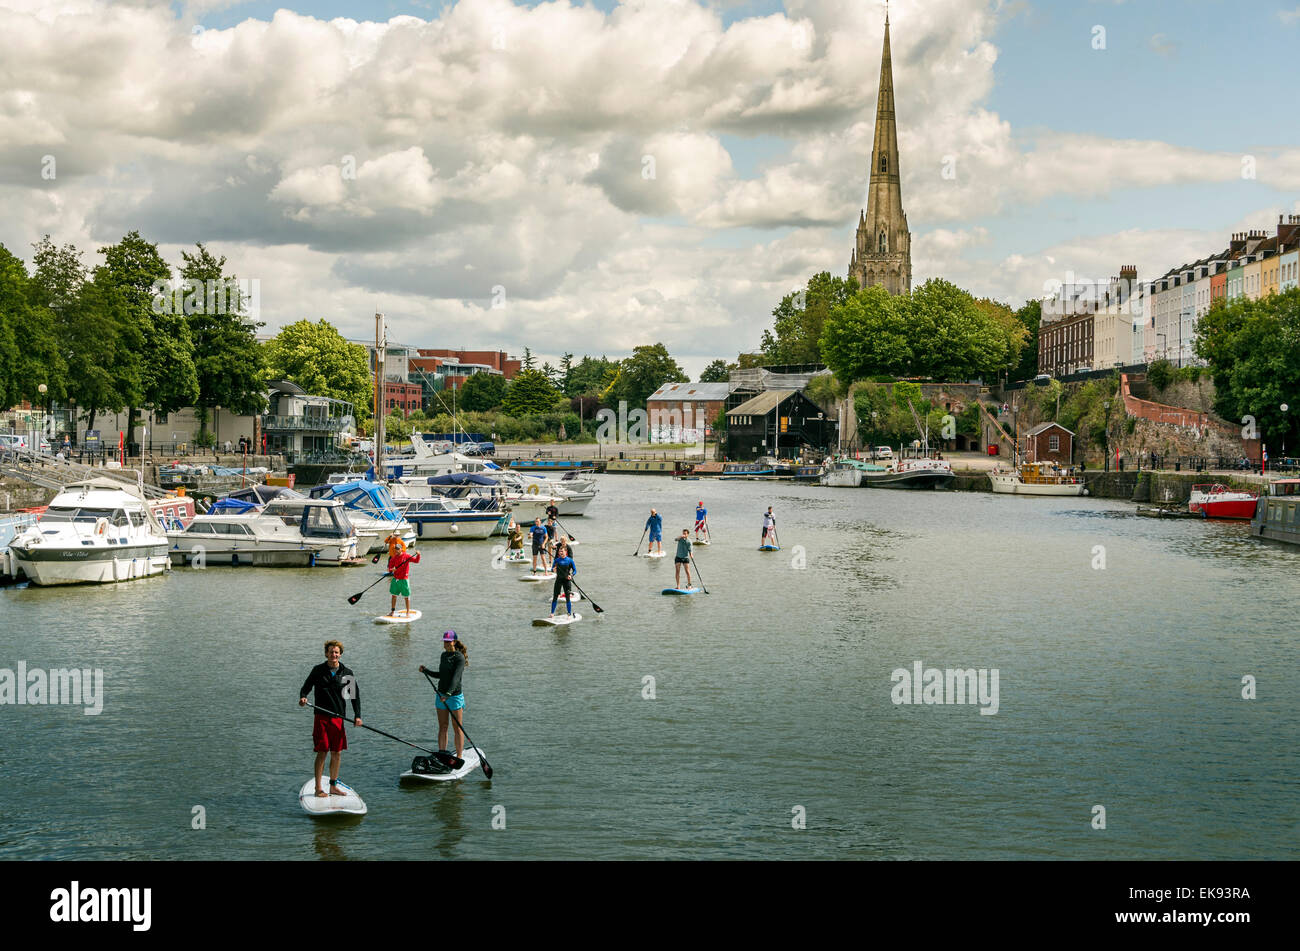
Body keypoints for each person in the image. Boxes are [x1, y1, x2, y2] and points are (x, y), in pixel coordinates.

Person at [298, 640, 362, 797]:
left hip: (338, 718)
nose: (333, 655)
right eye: (331, 652)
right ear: (326, 653)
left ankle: (333, 786)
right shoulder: (318, 670)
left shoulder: (347, 672)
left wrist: (357, 716)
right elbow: (305, 688)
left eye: (336, 652)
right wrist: (303, 698)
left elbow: (354, 697)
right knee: (322, 751)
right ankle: (318, 788)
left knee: (336, 752)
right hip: (321, 717)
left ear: (340, 654)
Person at [419, 631, 468, 759]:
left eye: (448, 641)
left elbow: (455, 678)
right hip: (441, 695)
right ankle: (442, 754)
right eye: (444, 641)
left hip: (454, 697)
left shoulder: (459, 658)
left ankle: (459, 757)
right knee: (443, 726)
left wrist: (448, 694)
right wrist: (426, 671)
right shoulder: (443, 656)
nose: (445, 643)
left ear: (454, 642)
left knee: (457, 728)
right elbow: (441, 675)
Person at [386, 537, 421, 616]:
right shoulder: (393, 558)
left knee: (406, 597)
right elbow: (389, 569)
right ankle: (392, 611)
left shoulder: (407, 556)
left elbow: (416, 561)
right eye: (395, 549)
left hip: (404, 580)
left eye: (398, 549)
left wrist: (418, 555)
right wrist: (392, 569)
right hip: (395, 580)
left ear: (401, 549)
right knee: (393, 596)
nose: (396, 550)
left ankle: (408, 612)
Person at [550, 541, 577, 617]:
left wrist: (571, 575)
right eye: (559, 551)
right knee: (555, 597)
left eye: (562, 551)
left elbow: (575, 570)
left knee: (567, 598)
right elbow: (552, 569)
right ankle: (552, 613)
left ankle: (569, 613)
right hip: (558, 580)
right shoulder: (556, 560)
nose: (560, 553)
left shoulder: (569, 560)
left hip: (566, 581)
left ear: (565, 552)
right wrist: (553, 570)